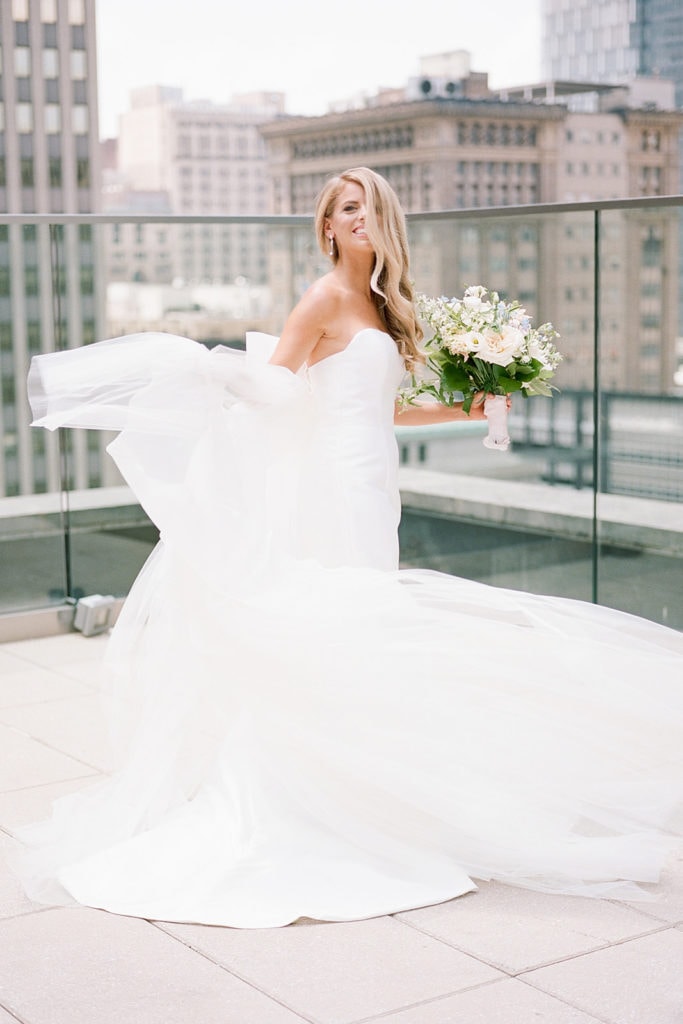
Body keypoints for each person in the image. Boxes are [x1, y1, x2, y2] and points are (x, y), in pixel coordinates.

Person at [14, 167, 683, 928]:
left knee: (367, 628)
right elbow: (276, 390)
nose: (359, 218)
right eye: (345, 209)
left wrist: (466, 404)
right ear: (327, 226)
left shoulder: (383, 305)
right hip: (329, 485)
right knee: (337, 622)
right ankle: (309, 802)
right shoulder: (324, 296)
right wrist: (208, 369)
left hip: (373, 486)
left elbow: (382, 410)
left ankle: (363, 795)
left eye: (369, 207)